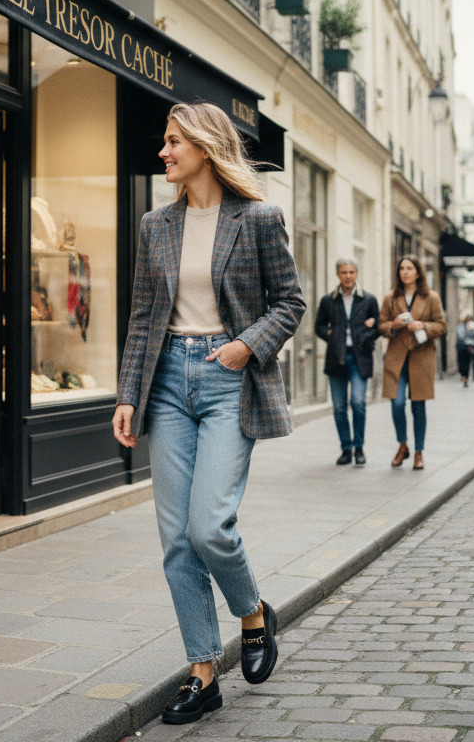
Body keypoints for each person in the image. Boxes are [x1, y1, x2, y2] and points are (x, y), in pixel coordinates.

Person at [112, 102, 305, 725]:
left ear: (203, 146)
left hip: (227, 381)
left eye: (173, 143)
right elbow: (144, 316)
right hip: (167, 382)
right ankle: (202, 671)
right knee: (175, 538)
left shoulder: (257, 218)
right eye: (164, 142)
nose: (163, 153)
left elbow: (291, 301)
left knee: (209, 526)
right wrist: (126, 394)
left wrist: (246, 344)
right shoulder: (155, 225)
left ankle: (252, 613)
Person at [378, 256, 446, 470]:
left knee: (418, 406)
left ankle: (418, 452)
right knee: (397, 404)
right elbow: (381, 326)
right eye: (402, 269)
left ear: (418, 273)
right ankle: (402, 445)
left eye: (410, 268)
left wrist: (423, 326)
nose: (405, 272)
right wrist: (394, 325)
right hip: (397, 358)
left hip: (421, 358)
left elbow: (442, 326)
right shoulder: (391, 298)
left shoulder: (431, 297)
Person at [314, 258, 380, 465]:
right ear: (338, 275)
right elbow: (319, 326)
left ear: (356, 274)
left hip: (360, 357)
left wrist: (366, 333)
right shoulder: (328, 300)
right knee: (340, 407)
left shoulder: (368, 299)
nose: (348, 276)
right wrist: (332, 336)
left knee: (358, 403)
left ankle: (359, 447)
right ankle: (346, 448)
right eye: (344, 272)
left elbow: (378, 326)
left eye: (351, 272)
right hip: (336, 358)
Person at [454, 313, 474, 387]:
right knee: (461, 363)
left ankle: (466, 378)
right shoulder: (460, 326)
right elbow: (461, 336)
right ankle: (463, 376)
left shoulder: (472, 326)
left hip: (469, 348)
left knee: (467, 364)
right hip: (462, 347)